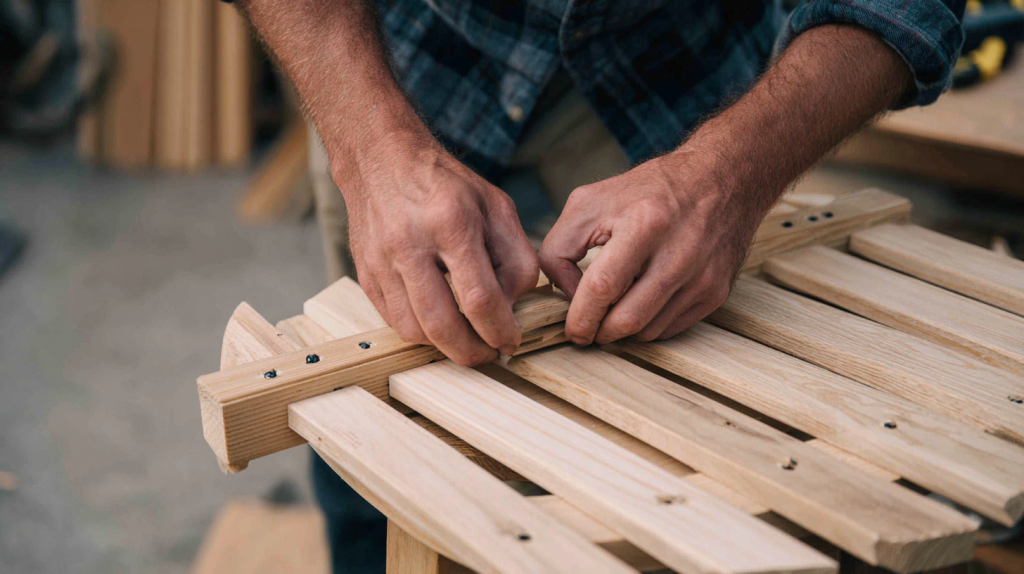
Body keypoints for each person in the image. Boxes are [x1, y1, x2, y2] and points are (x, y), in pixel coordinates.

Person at [227, 0, 965, 571]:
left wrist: (728, 179)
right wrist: (371, 150)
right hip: (388, 69)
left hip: (684, 98)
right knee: (377, 457)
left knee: (688, 497)